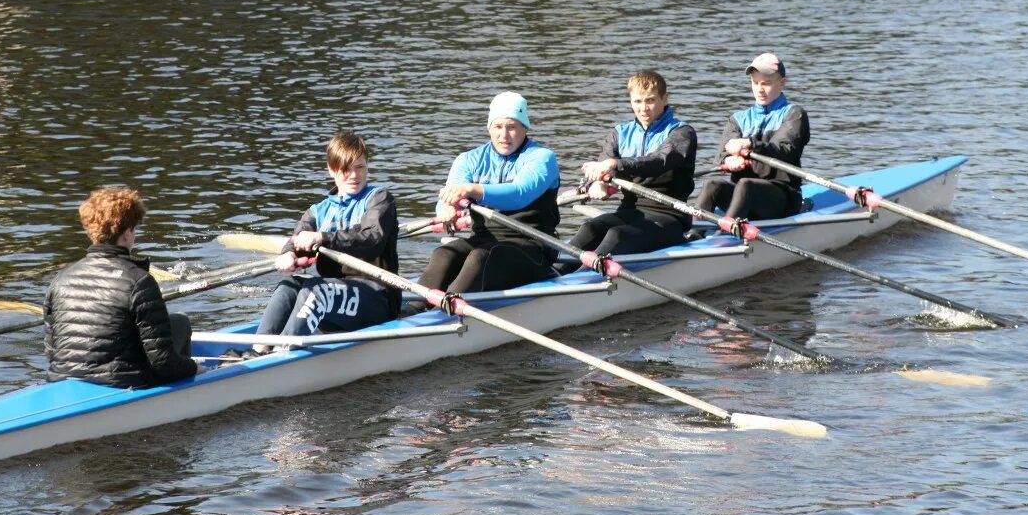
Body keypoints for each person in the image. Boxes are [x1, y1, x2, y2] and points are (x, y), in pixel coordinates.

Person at [253, 131, 400, 347]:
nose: (354, 176)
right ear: (331, 170)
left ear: (367, 166)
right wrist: (289, 253)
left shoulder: (379, 199)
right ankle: (258, 350)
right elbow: (297, 238)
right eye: (345, 169)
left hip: (377, 298)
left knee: (316, 290)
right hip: (337, 296)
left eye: (360, 167)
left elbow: (372, 240)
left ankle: (282, 354)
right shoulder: (317, 211)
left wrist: (323, 238)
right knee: (289, 285)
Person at [44, 187, 199, 389]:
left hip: (62, 376)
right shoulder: (139, 281)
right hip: (122, 382)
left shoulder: (60, 280)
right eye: (134, 229)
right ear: (127, 233)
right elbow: (163, 362)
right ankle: (184, 392)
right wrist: (194, 368)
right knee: (180, 322)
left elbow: (51, 350)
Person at [415, 92, 560, 299]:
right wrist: (447, 209)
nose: (504, 135)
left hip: (533, 246)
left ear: (525, 128)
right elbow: (447, 198)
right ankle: (414, 310)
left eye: (511, 127)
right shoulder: (469, 159)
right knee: (444, 254)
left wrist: (473, 189)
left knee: (480, 258)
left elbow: (519, 194)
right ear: (489, 128)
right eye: (498, 127)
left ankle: (447, 313)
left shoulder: (542, 158)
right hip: (484, 239)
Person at [564, 70, 697, 268]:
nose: (644, 108)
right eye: (637, 101)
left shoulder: (681, 133)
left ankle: (577, 283)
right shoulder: (620, 133)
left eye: (650, 100)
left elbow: (657, 161)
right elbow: (604, 164)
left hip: (670, 216)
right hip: (630, 210)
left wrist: (615, 165)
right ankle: (553, 274)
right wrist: (596, 183)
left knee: (616, 234)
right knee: (590, 228)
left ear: (665, 98)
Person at [694, 52, 810, 222]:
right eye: (755, 83)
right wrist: (729, 161)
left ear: (782, 83)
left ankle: (727, 234)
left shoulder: (794, 114)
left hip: (782, 196)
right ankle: (693, 234)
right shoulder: (738, 119)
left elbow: (785, 149)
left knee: (746, 184)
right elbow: (720, 157)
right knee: (712, 185)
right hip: (744, 196)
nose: (760, 90)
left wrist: (750, 144)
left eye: (766, 83)